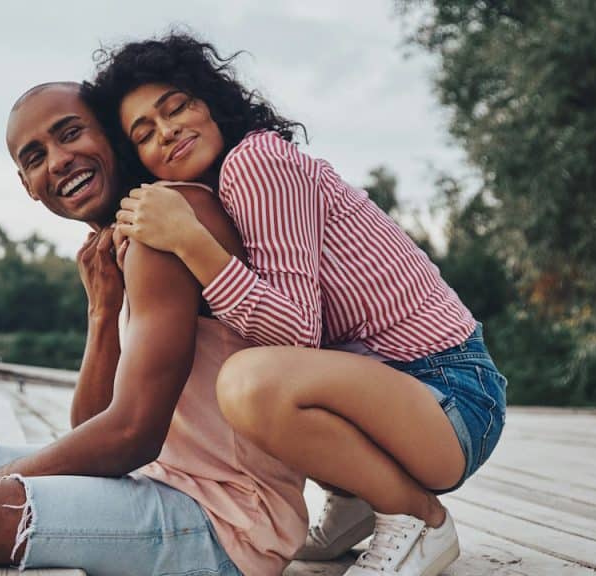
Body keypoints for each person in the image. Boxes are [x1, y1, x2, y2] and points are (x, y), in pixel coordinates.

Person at [87, 33, 508, 576]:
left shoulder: (255, 163)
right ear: (137, 157)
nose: (167, 131)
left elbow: (295, 334)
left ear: (211, 103)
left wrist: (190, 240)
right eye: (145, 132)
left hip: (451, 397)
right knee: (246, 378)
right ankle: (356, 501)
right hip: (412, 397)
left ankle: (419, 517)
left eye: (178, 107)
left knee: (250, 384)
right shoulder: (219, 192)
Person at [0, 82, 309, 576]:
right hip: (168, 481)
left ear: (111, 133)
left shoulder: (167, 220)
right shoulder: (124, 242)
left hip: (229, 523)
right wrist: (103, 314)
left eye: (71, 134)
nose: (59, 160)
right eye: (36, 157)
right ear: (27, 184)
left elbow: (131, 435)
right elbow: (90, 425)